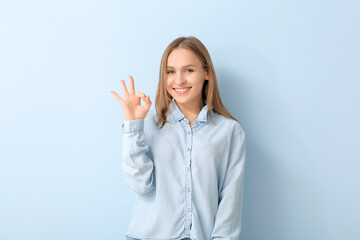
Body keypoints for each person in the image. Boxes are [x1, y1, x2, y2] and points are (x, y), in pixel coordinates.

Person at [110, 36, 246, 240]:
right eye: (170, 72)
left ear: (206, 72)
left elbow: (230, 199)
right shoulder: (147, 124)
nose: (179, 80)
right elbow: (140, 184)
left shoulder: (230, 131)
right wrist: (132, 125)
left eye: (189, 70)